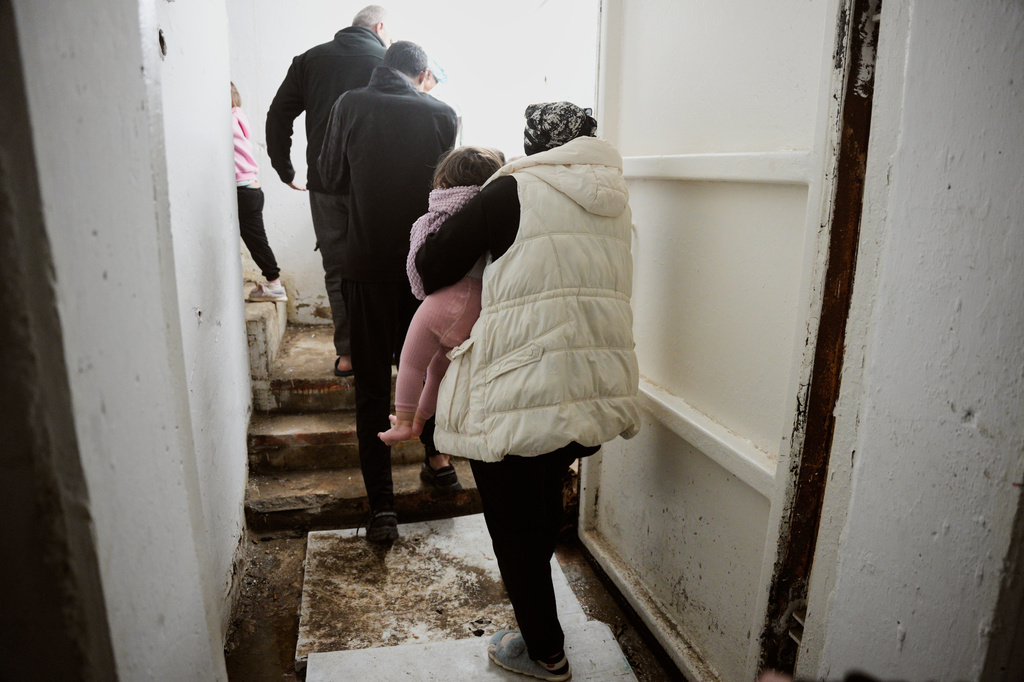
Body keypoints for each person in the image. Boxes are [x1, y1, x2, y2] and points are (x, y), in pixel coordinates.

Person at [414, 102, 642, 681]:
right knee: (541, 506)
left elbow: (433, 263)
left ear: (534, 144)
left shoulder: (512, 190)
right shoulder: (615, 199)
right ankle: (536, 622)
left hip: (522, 388)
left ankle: (545, 652)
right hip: (591, 383)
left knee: (514, 529)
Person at [317, 41, 460, 543]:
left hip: (366, 267)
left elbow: (330, 177)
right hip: (425, 269)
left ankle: (382, 510)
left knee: (373, 388)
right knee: (429, 370)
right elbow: (449, 192)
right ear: (421, 75)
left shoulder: (350, 104)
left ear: (384, 67)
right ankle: (439, 463)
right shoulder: (443, 114)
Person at [266, 5, 392, 376]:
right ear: (380, 27)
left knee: (338, 269)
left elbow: (278, 115)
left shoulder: (309, 60)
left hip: (326, 183)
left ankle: (348, 354)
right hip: (376, 185)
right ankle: (387, 349)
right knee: (383, 265)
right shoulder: (387, 62)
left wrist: (284, 168)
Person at [377, 146, 505, 446]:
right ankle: (419, 420)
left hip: (446, 300)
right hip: (476, 304)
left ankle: (403, 424)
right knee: (438, 369)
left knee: (411, 362)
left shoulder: (443, 210)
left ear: (444, 181)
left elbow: (420, 260)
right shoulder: (491, 210)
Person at [232, 82, 286, 302]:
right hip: (252, 188)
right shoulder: (239, 116)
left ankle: (275, 285)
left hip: (242, 190)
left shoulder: (227, 121)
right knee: (257, 240)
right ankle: (274, 283)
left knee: (257, 243)